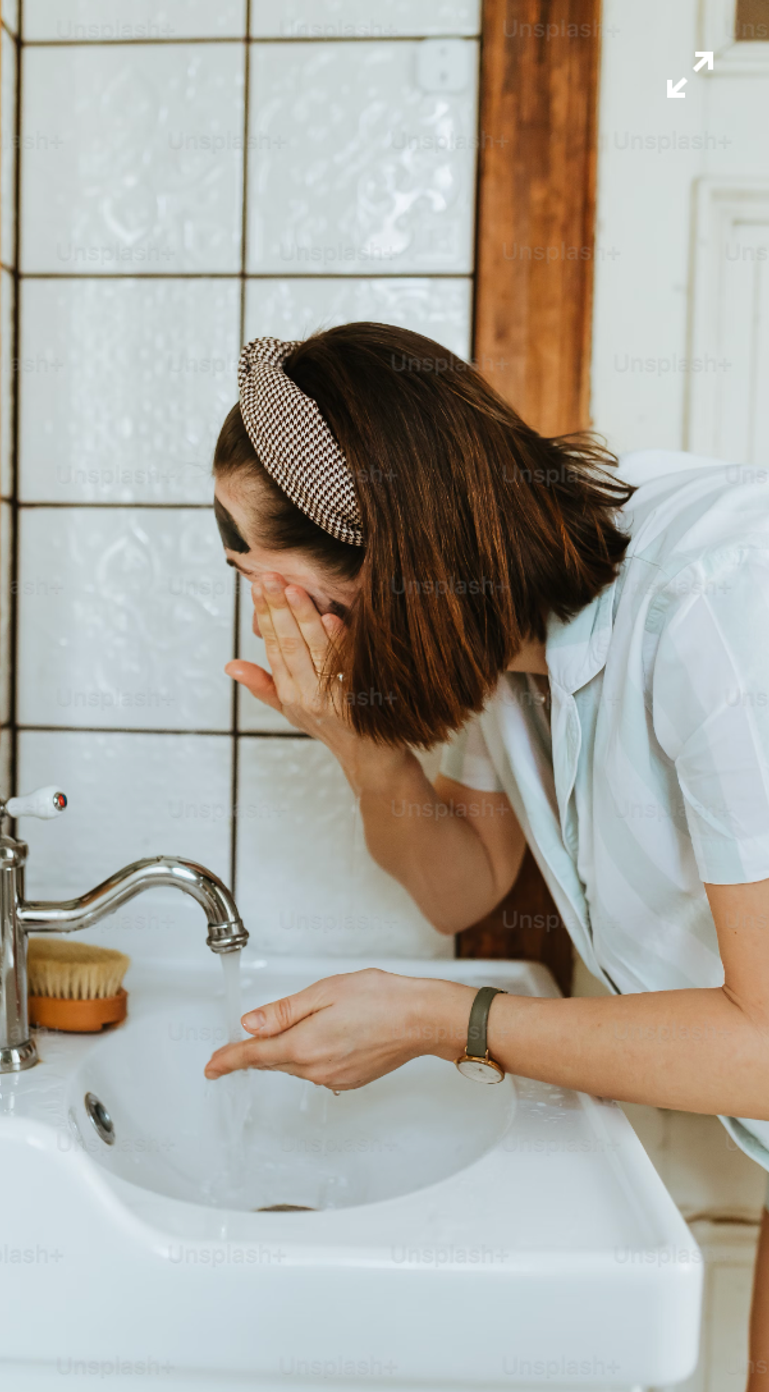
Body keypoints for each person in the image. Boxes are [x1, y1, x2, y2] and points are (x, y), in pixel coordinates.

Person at [203, 323, 769, 1380]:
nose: (262, 612)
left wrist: (438, 1020)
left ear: (386, 571)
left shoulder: (722, 600)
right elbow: (462, 881)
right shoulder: (507, 628)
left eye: (266, 578)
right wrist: (356, 740)